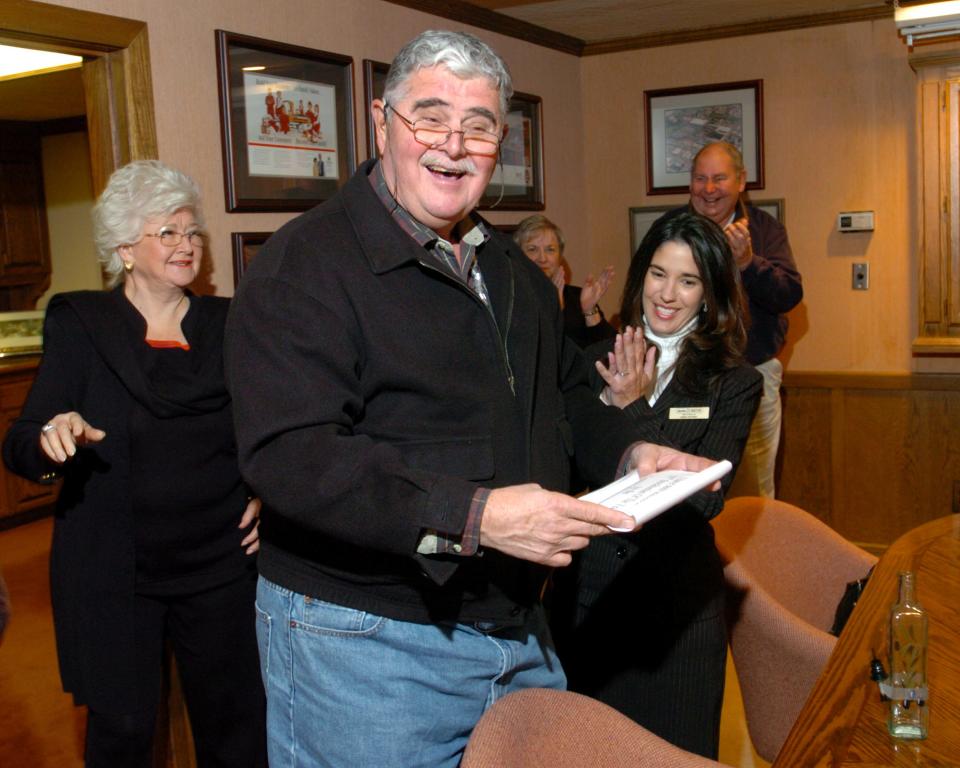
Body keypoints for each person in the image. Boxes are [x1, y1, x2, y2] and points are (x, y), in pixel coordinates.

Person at [224, 29, 717, 768]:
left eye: (478, 126)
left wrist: (629, 448)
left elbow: (567, 394)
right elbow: (293, 456)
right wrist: (476, 519)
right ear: (380, 120)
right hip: (363, 647)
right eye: (428, 116)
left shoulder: (512, 270)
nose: (452, 145)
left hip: (517, 633)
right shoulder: (304, 266)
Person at [2, 160, 266, 768]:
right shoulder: (82, 324)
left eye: (191, 232)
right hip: (114, 568)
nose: (187, 245)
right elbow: (20, 442)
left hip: (220, 563)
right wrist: (50, 434)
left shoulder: (229, 324)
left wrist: (264, 491)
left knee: (238, 728)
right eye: (167, 232)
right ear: (124, 247)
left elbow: (265, 428)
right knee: (122, 734)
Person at [551, 212, 762, 758]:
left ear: (709, 293)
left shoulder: (736, 384)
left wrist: (636, 409)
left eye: (688, 281)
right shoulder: (592, 363)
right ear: (640, 275)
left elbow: (700, 503)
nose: (667, 295)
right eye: (658, 274)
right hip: (588, 605)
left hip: (676, 620)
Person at [675, 141, 802, 497]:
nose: (709, 189)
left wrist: (748, 263)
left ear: (741, 181)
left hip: (753, 373)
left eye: (719, 178)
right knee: (688, 480)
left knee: (755, 487)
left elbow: (789, 296)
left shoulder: (764, 230)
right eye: (700, 178)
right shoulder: (673, 229)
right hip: (688, 375)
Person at [514, 214, 616, 349]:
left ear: (560, 257)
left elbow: (608, 350)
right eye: (532, 249)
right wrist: (556, 308)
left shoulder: (578, 296)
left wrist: (589, 310)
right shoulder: (512, 300)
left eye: (550, 250)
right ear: (518, 256)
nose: (542, 258)